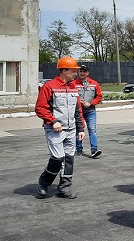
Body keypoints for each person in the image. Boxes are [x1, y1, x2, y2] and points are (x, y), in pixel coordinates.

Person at [34, 56, 85, 199]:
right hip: (55, 130)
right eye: (73, 71)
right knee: (57, 158)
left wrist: (80, 129)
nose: (76, 74)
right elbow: (40, 108)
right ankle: (44, 183)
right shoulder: (49, 86)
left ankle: (64, 188)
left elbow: (77, 110)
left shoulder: (73, 87)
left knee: (69, 159)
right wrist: (52, 121)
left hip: (71, 129)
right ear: (63, 70)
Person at [74, 65, 103, 158]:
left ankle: (94, 150)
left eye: (84, 71)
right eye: (80, 71)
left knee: (92, 130)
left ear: (87, 73)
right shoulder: (74, 84)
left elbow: (99, 96)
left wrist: (91, 103)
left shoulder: (94, 83)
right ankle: (79, 149)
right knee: (79, 130)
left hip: (90, 111)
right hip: (79, 112)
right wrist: (80, 102)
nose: (82, 73)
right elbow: (71, 96)